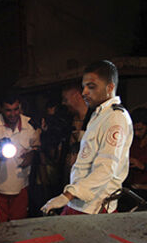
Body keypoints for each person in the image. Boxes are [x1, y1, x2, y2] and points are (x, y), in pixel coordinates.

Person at [41, 60, 133, 215]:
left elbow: (105, 169)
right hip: (79, 202)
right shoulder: (99, 115)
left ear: (110, 88)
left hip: (94, 207)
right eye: (83, 87)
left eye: (91, 86)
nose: (84, 92)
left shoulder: (115, 118)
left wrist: (67, 195)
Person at [0, 93, 40, 221]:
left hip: (21, 185)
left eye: (16, 109)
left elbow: (37, 148)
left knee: (19, 225)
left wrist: (32, 154)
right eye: (8, 110)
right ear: (1, 109)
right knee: (0, 226)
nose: (13, 114)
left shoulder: (31, 125)